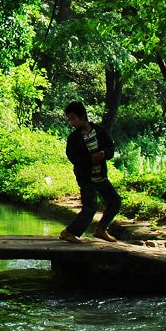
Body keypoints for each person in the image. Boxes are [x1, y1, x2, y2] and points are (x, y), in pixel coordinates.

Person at [59, 101, 121, 243]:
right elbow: (73, 157)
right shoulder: (73, 138)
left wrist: (104, 154)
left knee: (115, 201)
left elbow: (110, 148)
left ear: (82, 116)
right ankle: (68, 232)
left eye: (73, 118)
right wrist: (90, 158)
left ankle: (101, 230)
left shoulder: (99, 131)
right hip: (86, 178)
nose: (72, 122)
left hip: (101, 176)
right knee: (90, 208)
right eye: (70, 119)